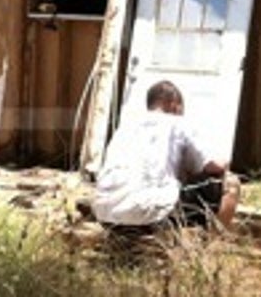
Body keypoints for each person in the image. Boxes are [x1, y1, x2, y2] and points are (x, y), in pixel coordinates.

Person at [92, 79, 238, 233]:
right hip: (151, 216)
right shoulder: (178, 123)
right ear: (174, 104)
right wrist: (227, 161)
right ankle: (211, 245)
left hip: (105, 215)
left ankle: (126, 241)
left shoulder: (125, 128)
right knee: (231, 183)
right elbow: (215, 166)